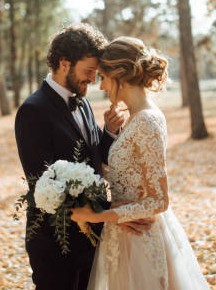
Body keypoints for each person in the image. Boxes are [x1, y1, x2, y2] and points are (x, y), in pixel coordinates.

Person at [14, 24, 152, 290]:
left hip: (93, 238)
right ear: (65, 63)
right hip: (56, 241)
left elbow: (91, 159)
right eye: (89, 71)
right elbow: (44, 184)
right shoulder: (32, 110)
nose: (93, 79)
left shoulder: (84, 102)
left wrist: (109, 133)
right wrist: (111, 212)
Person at [71, 36, 211, 290]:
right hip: (123, 237)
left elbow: (159, 200)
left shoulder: (146, 121)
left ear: (120, 75)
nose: (101, 86)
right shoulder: (135, 119)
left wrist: (101, 215)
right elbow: (128, 174)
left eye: (103, 76)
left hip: (139, 241)